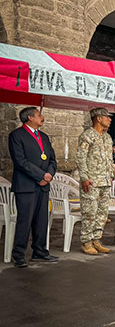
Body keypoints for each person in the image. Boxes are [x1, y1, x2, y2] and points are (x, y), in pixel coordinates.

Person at [8, 107, 59, 268]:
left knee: (41, 220)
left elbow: (51, 158)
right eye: (39, 115)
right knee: (25, 220)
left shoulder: (43, 136)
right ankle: (19, 254)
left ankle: (40, 251)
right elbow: (20, 161)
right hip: (26, 185)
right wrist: (40, 176)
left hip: (43, 185)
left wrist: (49, 174)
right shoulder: (16, 135)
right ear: (30, 117)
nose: (42, 117)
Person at [76, 107, 115, 255]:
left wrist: (110, 175)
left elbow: (110, 159)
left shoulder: (107, 137)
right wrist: (84, 177)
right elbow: (81, 158)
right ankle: (86, 242)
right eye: (107, 117)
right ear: (99, 118)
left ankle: (96, 239)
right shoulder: (87, 136)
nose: (110, 119)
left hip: (105, 181)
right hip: (91, 181)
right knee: (89, 213)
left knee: (102, 213)